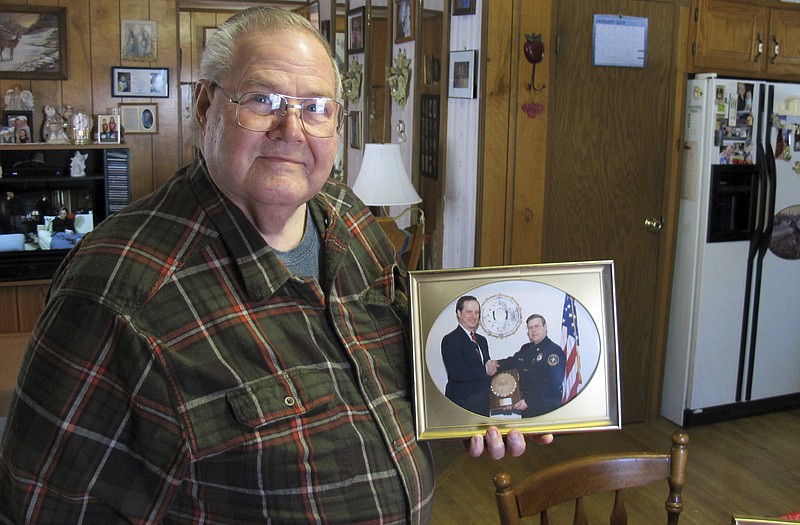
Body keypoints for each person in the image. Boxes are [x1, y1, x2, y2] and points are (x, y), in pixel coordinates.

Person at [0, 7, 547, 524]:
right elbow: (45, 506)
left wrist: (475, 411)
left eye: (316, 108)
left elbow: (406, 380)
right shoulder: (115, 293)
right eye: (263, 99)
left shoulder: (349, 222)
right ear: (205, 107)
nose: (292, 129)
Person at [490, 314, 566, 418]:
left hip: (546, 409)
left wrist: (529, 401)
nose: (533, 330)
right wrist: (494, 364)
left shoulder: (554, 352)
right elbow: (512, 362)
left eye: (537, 326)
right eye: (530, 328)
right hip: (527, 409)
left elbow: (552, 384)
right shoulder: (526, 349)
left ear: (545, 327)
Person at [441, 295, 497, 416]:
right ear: (459, 313)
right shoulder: (450, 340)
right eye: (469, 312)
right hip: (462, 404)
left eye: (477, 312)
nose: (474, 316)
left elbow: (485, 365)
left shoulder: (482, 340)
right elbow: (456, 373)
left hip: (482, 403)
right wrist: (486, 369)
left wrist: (491, 364)